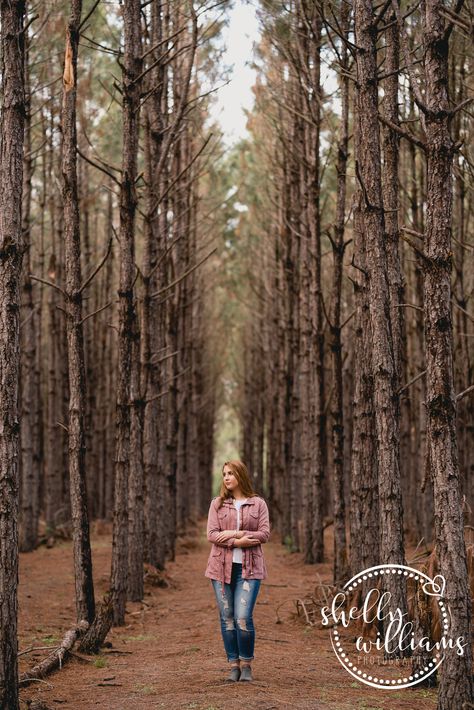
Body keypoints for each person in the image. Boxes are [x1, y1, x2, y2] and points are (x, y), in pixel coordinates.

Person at [204, 460, 271, 682]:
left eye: (231, 473)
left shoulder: (258, 503)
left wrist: (237, 537)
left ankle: (247, 664)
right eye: (224, 474)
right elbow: (212, 534)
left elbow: (264, 534)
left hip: (249, 570)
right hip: (220, 570)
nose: (226, 477)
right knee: (228, 618)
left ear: (240, 475)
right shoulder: (217, 504)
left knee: (243, 617)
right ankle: (233, 665)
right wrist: (237, 538)